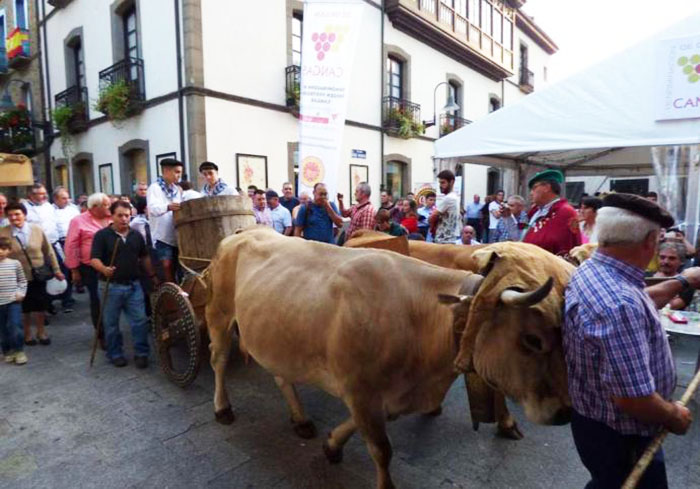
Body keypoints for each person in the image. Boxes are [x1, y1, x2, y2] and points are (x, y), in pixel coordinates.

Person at [564, 193, 696, 489]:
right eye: (659, 240)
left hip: (594, 423)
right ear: (650, 241)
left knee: (604, 482)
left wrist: (685, 281)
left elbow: (639, 301)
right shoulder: (620, 303)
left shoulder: (592, 270)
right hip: (624, 435)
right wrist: (674, 415)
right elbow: (633, 398)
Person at [91, 201, 158, 368]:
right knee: (111, 324)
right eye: (120, 215)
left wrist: (152, 275)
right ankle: (115, 354)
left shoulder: (136, 235)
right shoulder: (102, 235)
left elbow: (144, 257)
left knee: (140, 321)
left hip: (134, 285)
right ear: (112, 216)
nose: (124, 219)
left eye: (127, 215)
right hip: (110, 286)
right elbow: (94, 259)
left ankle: (141, 353)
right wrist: (104, 269)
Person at [1, 202, 63, 346]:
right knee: (24, 307)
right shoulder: (3, 233)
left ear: (24, 215)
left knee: (40, 305)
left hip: (38, 273)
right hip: (16, 276)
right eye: (10, 215)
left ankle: (41, 332)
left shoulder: (36, 229)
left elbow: (48, 251)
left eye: (17, 214)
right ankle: (27, 334)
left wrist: (57, 270)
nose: (13, 217)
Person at [64, 193, 111, 343]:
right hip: (90, 268)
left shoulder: (112, 218)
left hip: (113, 265)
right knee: (97, 300)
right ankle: (102, 334)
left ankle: (113, 330)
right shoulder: (78, 221)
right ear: (95, 207)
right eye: (106, 205)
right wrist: (74, 270)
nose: (109, 207)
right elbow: (71, 246)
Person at [523, 169, 581, 256]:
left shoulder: (565, 212)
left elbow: (566, 246)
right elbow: (522, 235)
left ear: (546, 188)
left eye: (534, 188)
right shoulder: (536, 212)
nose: (531, 193)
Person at [147, 158, 183, 283]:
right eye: (177, 172)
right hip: (162, 236)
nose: (179, 176)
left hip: (176, 235)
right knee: (167, 267)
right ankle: (170, 294)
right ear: (166, 171)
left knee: (180, 267)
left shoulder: (176, 189)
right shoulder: (154, 188)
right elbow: (152, 209)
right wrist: (168, 207)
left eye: (180, 172)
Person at [0, 236, 27, 365]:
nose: (0, 251)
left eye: (4, 249)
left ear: (9, 250)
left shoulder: (15, 263)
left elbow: (22, 280)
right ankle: (7, 350)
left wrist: (21, 293)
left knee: (15, 325)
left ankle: (19, 350)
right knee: (2, 329)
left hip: (13, 301)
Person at [53, 187, 80, 312]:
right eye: (63, 198)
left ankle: (67, 298)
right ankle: (54, 297)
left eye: (67, 197)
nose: (66, 200)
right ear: (55, 199)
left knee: (71, 270)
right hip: (59, 243)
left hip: (73, 241)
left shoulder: (73, 210)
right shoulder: (50, 210)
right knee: (60, 270)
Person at [651, 241, 694, 310]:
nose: (666, 262)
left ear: (681, 261)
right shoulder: (645, 277)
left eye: (672, 258)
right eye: (662, 257)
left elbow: (672, 306)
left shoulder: (686, 283)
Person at [430, 170, 461, 244]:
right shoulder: (454, 197)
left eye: (443, 182)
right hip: (450, 238)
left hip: (444, 239)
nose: (440, 185)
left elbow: (433, 216)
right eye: (440, 183)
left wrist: (431, 223)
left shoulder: (448, 198)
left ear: (452, 182)